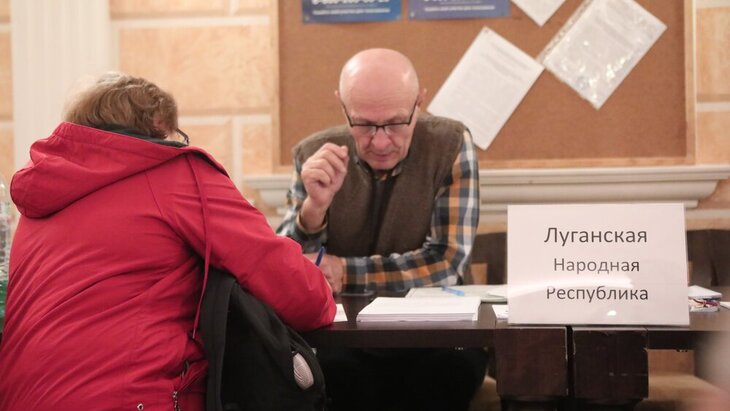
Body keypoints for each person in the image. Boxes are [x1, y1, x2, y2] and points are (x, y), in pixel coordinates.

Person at [0, 73, 335, 410]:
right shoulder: (176, 174)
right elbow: (303, 297)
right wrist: (321, 286)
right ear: (159, 125)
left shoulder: (40, 198)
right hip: (129, 399)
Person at [278, 48, 486, 411]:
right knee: (337, 380)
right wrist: (313, 209)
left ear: (419, 104)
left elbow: (445, 263)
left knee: (442, 378)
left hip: (437, 338)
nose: (380, 141)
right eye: (363, 124)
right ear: (342, 106)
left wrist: (345, 271)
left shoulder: (450, 144)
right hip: (345, 340)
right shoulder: (314, 155)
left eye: (395, 123)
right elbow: (283, 270)